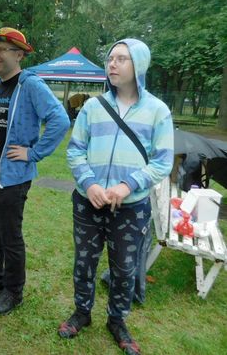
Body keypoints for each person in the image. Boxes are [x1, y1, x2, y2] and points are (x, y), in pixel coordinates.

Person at [59, 39, 174, 355]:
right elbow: (75, 150)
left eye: (121, 58)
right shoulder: (93, 108)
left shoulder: (157, 111)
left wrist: (127, 186)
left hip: (131, 207)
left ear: (139, 64)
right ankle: (82, 312)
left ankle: (117, 320)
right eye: (110, 58)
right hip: (88, 202)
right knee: (84, 262)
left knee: (124, 270)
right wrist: (89, 184)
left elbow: (163, 161)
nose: (112, 63)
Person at [0, 27, 70, 315]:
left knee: (10, 237)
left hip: (11, 177)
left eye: (2, 49)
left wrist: (33, 153)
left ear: (19, 55)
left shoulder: (30, 85)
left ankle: (13, 291)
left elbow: (59, 120)